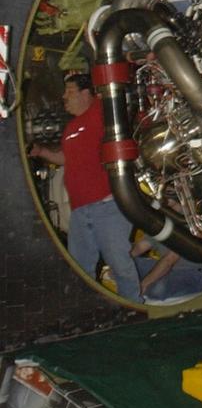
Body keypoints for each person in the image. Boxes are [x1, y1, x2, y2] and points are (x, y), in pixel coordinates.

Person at [30, 72, 142, 302]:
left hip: (107, 205)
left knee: (118, 262)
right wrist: (41, 152)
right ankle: (87, 309)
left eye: (70, 91)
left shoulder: (100, 113)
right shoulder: (71, 128)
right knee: (80, 268)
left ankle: (133, 305)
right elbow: (67, 159)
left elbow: (109, 88)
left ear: (88, 94)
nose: (64, 97)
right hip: (80, 210)